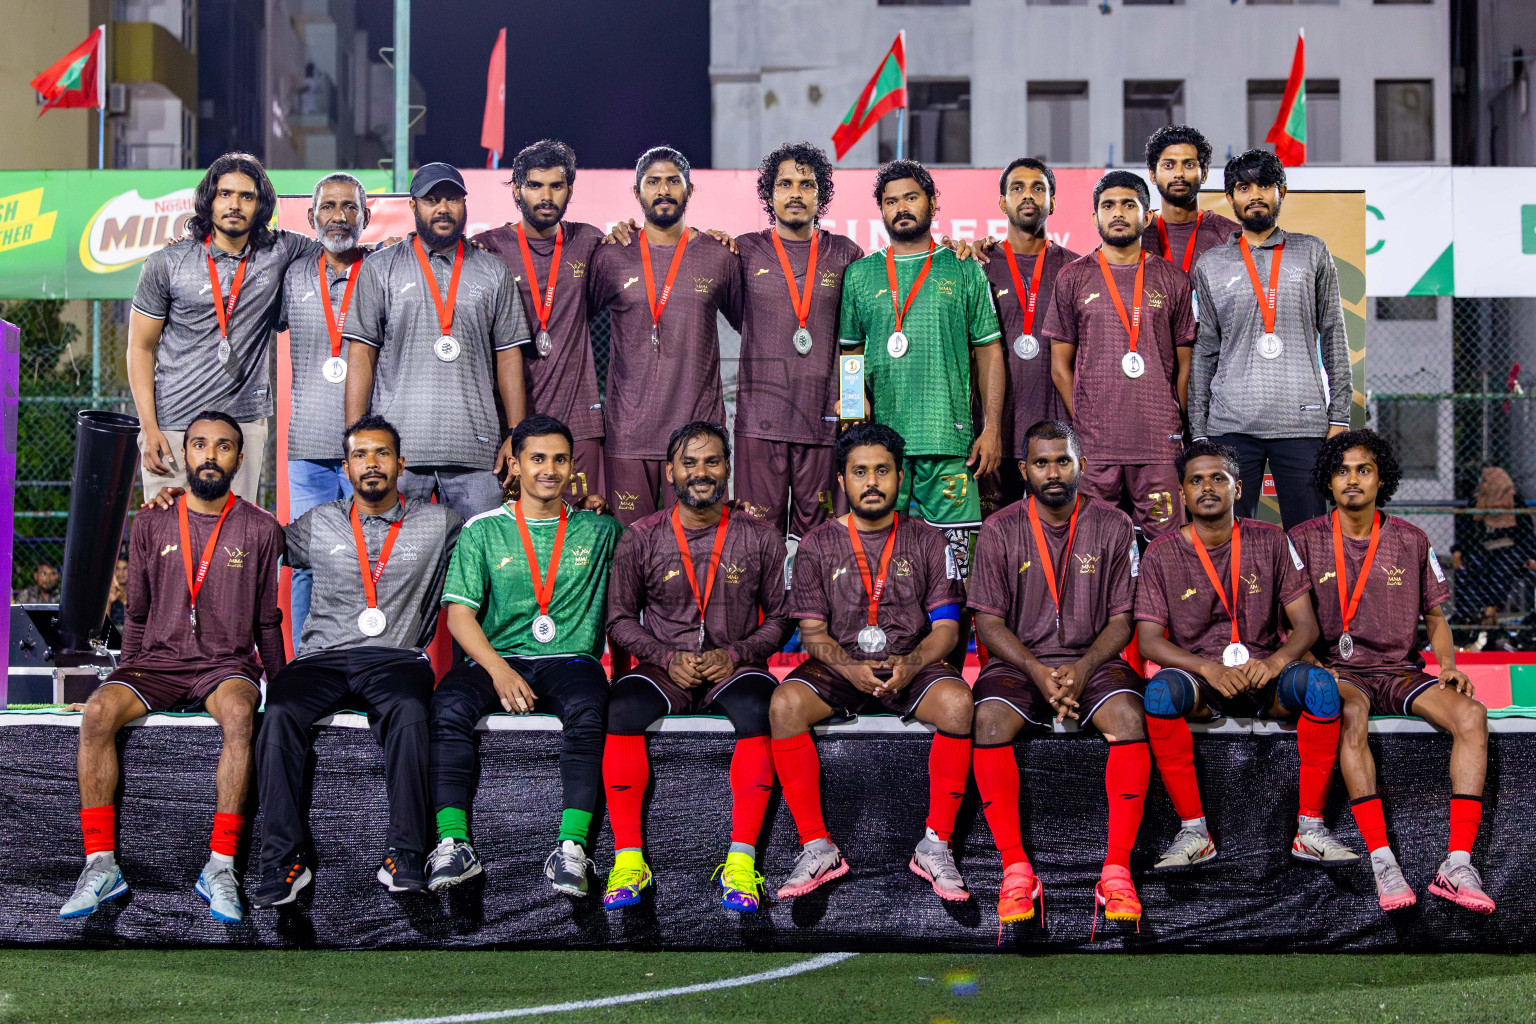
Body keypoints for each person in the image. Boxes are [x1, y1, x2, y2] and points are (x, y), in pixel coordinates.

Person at [61, 412, 285, 923]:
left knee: (239, 714)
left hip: (224, 666)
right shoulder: (153, 520)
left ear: (239, 458)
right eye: (200, 445)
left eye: (224, 447)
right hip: (156, 664)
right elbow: (135, 613)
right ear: (184, 455)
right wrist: (123, 678)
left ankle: (221, 865)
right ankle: (100, 865)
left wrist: (283, 684)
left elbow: (267, 621)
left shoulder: (261, 528)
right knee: (97, 713)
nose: (211, 455)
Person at [250, 414, 462, 907]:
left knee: (411, 712)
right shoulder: (317, 522)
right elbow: (253, 541)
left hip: (396, 659)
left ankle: (406, 855)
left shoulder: (440, 523)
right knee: (278, 710)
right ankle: (283, 863)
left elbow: (502, 537)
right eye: (361, 455)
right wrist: (189, 505)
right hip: (322, 659)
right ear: (345, 468)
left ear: (401, 464)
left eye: (382, 453)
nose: (372, 464)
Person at [768, 423, 975, 904]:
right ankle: (817, 846)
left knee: (959, 705)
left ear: (900, 477)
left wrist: (910, 661)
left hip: (910, 660)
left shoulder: (928, 540)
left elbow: (946, 629)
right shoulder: (818, 544)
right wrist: (851, 669)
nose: (872, 481)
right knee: (783, 707)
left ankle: (935, 845)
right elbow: (814, 634)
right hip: (842, 664)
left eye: (882, 470)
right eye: (860, 472)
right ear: (842, 481)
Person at [1289, 429, 1493, 914]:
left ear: (1382, 479)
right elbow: (1285, 620)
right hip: (1339, 671)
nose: (1352, 480)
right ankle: (1383, 860)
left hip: (1400, 669)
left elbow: (1436, 618)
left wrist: (1448, 666)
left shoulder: (1412, 539)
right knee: (1350, 715)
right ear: (1328, 481)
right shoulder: (1302, 539)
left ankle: (1458, 863)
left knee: (1473, 716)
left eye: (1364, 470)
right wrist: (1308, 661)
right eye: (1342, 471)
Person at [1134, 439, 1356, 872]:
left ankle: (1310, 829)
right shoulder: (1161, 552)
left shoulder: (1272, 539)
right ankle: (1193, 832)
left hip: (1264, 676)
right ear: (1182, 493)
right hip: (1201, 680)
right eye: (1196, 481)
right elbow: (1149, 642)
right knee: (1158, 696)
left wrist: (1273, 664)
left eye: (1219, 478)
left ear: (1239, 487)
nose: (1207, 487)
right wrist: (1207, 669)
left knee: (1323, 689)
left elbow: (1306, 626)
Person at [425, 414, 623, 897]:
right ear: (515, 464)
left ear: (573, 465)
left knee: (590, 708)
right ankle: (453, 844)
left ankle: (572, 848)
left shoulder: (600, 532)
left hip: (570, 659)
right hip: (495, 657)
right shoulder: (482, 531)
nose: (548, 469)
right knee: (447, 707)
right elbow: (458, 617)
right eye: (537, 459)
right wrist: (498, 670)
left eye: (559, 459)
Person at [601, 421, 792, 913]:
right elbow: (619, 619)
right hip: (666, 667)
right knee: (620, 708)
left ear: (728, 468)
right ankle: (628, 861)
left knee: (759, 708)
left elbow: (782, 618)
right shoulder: (640, 536)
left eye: (712, 461)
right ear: (670, 472)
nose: (701, 472)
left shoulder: (761, 537)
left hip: (735, 665)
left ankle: (742, 861)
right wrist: (666, 656)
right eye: (690, 462)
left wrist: (737, 653)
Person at [967, 419, 1150, 928]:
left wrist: (1082, 666)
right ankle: (1015, 870)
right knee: (988, 723)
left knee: (1130, 719)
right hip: (1018, 664)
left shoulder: (1114, 526)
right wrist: (1036, 670)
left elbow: (1122, 620)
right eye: (1042, 462)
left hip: (1095, 661)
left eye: (1063, 461)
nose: (1053, 472)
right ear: (1023, 469)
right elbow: (987, 621)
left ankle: (1116, 871)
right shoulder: (1000, 527)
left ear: (1081, 466)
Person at [837, 160, 1005, 576]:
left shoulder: (964, 267)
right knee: (883, 567)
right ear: (881, 209)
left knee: (958, 573)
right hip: (880, 451)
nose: (901, 208)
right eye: (890, 201)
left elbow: (988, 352)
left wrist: (992, 427)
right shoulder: (860, 274)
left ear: (932, 202)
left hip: (949, 444)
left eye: (911, 197)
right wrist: (855, 407)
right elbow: (850, 353)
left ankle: (953, 643)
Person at [344, 162, 531, 521]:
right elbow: (361, 355)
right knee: (393, 560)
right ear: (413, 206)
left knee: (479, 563)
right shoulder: (381, 267)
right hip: (396, 453)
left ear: (465, 204)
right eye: (431, 199)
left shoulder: (493, 271)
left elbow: (509, 357)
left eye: (452, 199)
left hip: (476, 453)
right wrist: (358, 440)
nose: (443, 208)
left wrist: (515, 434)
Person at [129, 152, 321, 501]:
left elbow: (338, 255)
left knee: (235, 544)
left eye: (247, 196)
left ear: (260, 205)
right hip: (174, 423)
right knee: (170, 540)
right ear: (209, 200)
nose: (235, 204)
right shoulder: (168, 263)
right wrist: (148, 428)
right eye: (225, 194)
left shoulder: (282, 250)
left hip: (243, 423)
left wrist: (383, 250)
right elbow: (140, 347)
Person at [1188, 149, 1351, 531]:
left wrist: (1340, 415)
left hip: (1302, 424)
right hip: (1230, 425)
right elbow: (1204, 350)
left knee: (1310, 537)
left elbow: (1333, 332)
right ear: (1230, 198)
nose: (1255, 195)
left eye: (1264, 185)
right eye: (1243, 187)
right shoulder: (1211, 264)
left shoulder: (1312, 252)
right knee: (1229, 539)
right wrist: (1198, 428)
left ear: (1282, 191)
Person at [588, 146, 743, 526]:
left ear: (689, 190)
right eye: (652, 181)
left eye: (674, 181)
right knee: (631, 547)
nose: (663, 189)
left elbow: (751, 325)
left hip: (698, 436)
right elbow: (571, 321)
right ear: (636, 192)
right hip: (628, 431)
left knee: (699, 546)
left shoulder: (718, 254)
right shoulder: (612, 255)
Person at [1045, 170, 1194, 542]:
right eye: (1108, 205)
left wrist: (1178, 422)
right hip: (1096, 444)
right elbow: (1060, 367)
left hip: (1159, 441)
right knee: (1093, 546)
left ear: (1146, 216)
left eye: (1129, 205)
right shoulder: (1072, 277)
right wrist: (1084, 421)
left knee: (1167, 547)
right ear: (1094, 217)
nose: (1118, 213)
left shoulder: (1174, 279)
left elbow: (1186, 365)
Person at [731, 142, 865, 540]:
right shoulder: (744, 250)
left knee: (822, 542)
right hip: (761, 421)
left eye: (806, 184)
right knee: (757, 540)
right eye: (785, 183)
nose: (795, 193)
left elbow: (855, 339)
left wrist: (853, 402)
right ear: (769, 194)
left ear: (820, 194)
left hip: (824, 422)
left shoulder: (846, 253)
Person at [473, 140, 609, 507]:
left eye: (556, 185)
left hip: (578, 423)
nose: (546, 196)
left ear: (569, 189)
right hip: (510, 427)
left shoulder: (591, 241)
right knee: (518, 541)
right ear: (516, 189)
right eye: (535, 185)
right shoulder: (487, 249)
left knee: (583, 532)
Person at [281, 172, 370, 632]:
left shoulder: (382, 269)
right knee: (308, 562)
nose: (339, 216)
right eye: (329, 207)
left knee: (368, 560)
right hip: (308, 449)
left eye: (350, 207)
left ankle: (364, 663)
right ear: (311, 216)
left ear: (366, 216)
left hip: (369, 446)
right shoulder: (291, 274)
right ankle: (303, 665)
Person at [980, 157, 1080, 511]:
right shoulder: (980, 264)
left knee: (1058, 537)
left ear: (1052, 202)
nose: (1028, 196)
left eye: (1039, 188)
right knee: (995, 539)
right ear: (1002, 201)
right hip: (995, 435)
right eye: (1017, 188)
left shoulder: (1076, 268)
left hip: (1057, 436)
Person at [1141, 125, 1240, 278]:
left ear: (1205, 174)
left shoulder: (1230, 235)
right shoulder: (1136, 232)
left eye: (1189, 165)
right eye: (1168, 165)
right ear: (1152, 175)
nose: (1179, 173)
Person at [1451, 466, 1536, 632]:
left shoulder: (1514, 502)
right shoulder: (1477, 502)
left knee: (1504, 564)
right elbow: (1465, 531)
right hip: (1482, 548)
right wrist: (1458, 551)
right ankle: (1479, 612)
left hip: (1509, 548)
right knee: (1477, 562)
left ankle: (1491, 609)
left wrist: (1531, 556)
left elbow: (1526, 533)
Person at [109, 558, 129, 627]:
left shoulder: (135, 593)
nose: (121, 573)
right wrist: (109, 602)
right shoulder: (110, 592)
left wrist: (123, 600)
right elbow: (104, 625)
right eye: (118, 569)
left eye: (124, 569)